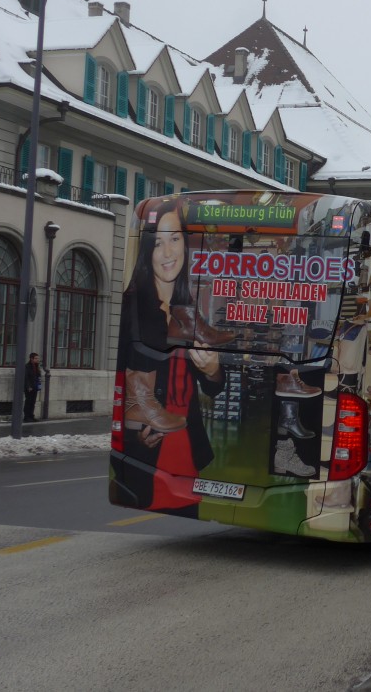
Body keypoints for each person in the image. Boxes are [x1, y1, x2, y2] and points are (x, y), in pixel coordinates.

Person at [117, 200, 223, 516]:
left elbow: (214, 387)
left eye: (175, 239)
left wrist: (214, 370)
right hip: (151, 444)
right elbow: (124, 378)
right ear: (147, 251)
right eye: (158, 242)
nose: (168, 253)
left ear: (185, 245)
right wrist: (134, 433)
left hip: (186, 440)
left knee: (190, 522)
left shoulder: (186, 308)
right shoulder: (133, 307)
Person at [23, 352, 41, 422]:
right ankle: (26, 417)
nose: (37, 360)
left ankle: (31, 416)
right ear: (31, 359)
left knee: (33, 402)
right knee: (28, 402)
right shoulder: (27, 366)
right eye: (36, 358)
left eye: (37, 358)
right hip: (29, 388)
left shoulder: (36, 366)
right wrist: (28, 386)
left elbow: (37, 376)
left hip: (35, 387)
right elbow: (26, 377)